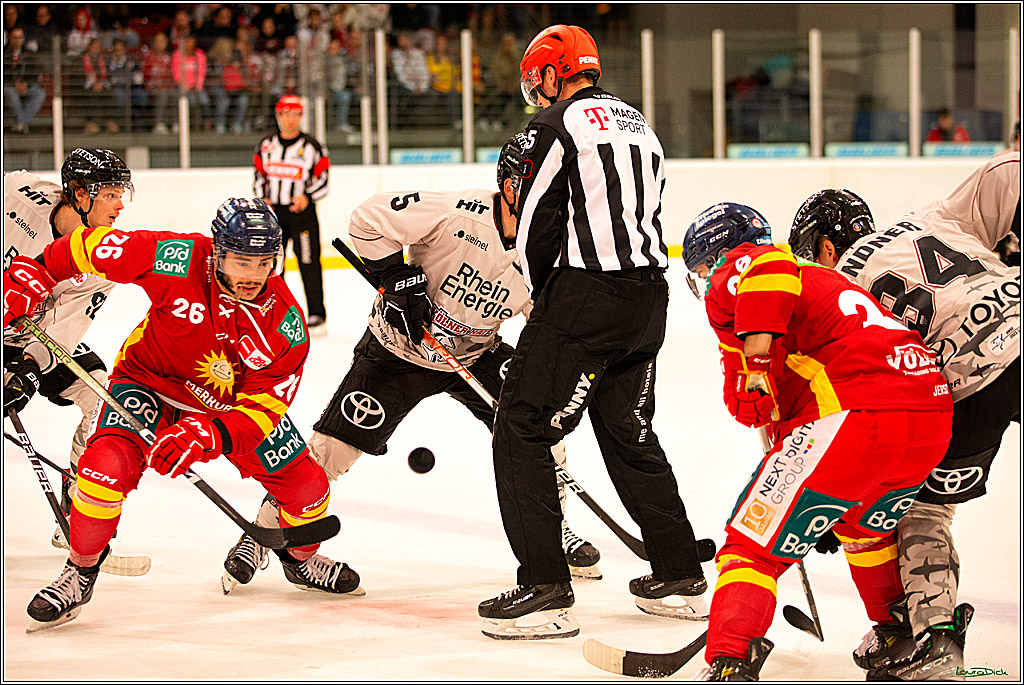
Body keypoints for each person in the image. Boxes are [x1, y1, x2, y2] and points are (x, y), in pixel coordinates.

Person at [221, 134, 604, 593]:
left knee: (539, 430)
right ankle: (262, 535)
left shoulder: (551, 245)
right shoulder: (458, 212)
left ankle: (553, 531)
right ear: (510, 185)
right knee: (328, 453)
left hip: (475, 354)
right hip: (397, 351)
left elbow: (545, 317)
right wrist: (396, 276)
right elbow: (367, 218)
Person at [4, 197, 361, 633]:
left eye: (264, 263)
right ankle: (80, 570)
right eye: (242, 262)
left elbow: (265, 408)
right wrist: (37, 271)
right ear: (218, 252)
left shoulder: (286, 324)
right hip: (148, 385)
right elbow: (87, 246)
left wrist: (208, 434)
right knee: (103, 470)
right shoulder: (177, 257)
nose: (254, 276)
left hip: (227, 412)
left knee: (308, 490)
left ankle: (299, 560)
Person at [479, 25, 709, 641]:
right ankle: (679, 573)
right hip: (648, 299)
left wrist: (538, 300)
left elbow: (535, 221)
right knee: (628, 430)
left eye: (537, 81)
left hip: (586, 298)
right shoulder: (641, 125)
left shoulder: (554, 126)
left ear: (554, 73)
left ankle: (545, 589)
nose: (536, 93)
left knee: (520, 424)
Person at [681, 203, 953, 681]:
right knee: (864, 531)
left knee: (751, 546)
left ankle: (730, 657)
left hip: (859, 416)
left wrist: (756, 365)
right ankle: (898, 634)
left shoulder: (748, 268)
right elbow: (756, 405)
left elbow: (767, 267)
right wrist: (753, 380)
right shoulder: (824, 281)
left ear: (718, 256)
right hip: (927, 417)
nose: (705, 280)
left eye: (703, 268)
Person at [788, 170, 1019, 679]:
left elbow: (856, 409)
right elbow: (1010, 175)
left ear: (825, 248)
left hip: (973, 374)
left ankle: (937, 638)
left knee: (922, 511)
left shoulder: (842, 295)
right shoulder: (931, 218)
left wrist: (833, 499)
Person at [4, 148, 132, 552]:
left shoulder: (104, 259)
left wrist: (28, 370)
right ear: (79, 194)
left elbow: (64, 330)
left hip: (30, 339)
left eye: (122, 194)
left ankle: (78, 499)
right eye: (110, 194)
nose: (120, 205)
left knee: (105, 400)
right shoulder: (16, 194)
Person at [253, 95, 329, 334]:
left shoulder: (312, 147)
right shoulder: (266, 145)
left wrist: (307, 196)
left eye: (295, 114)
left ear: (301, 116)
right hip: (273, 215)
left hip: (302, 214)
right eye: (285, 114)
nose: (290, 119)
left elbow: (323, 179)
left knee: (308, 261)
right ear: (278, 116)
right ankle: (274, 313)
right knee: (274, 265)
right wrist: (263, 199)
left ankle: (316, 314)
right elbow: (259, 176)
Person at [3, 26, 47, 134]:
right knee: (10, 92)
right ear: (9, 38)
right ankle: (22, 123)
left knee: (40, 93)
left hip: (26, 86)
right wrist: (14, 84)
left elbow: (34, 72)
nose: (17, 40)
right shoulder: (4, 53)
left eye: (19, 37)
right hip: (8, 86)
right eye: (14, 37)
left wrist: (26, 83)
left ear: (23, 39)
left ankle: (20, 123)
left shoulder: (29, 54)